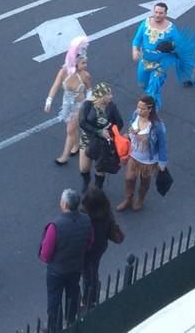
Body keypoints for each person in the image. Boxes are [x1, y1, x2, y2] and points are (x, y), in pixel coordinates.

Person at [39, 189, 93, 332]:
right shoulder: (86, 220)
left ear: (64, 204)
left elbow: (46, 253)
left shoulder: (55, 226)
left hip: (57, 270)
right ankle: (71, 320)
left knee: (54, 299)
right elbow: (89, 242)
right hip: (75, 267)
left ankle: (54, 327)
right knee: (73, 293)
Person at [132, 2, 195, 109]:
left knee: (153, 88)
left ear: (165, 14)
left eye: (161, 13)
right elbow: (137, 39)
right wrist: (135, 51)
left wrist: (171, 46)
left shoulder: (171, 29)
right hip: (145, 60)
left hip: (161, 64)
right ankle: (148, 99)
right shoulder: (145, 23)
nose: (157, 15)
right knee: (142, 84)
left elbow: (179, 45)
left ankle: (152, 110)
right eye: (156, 12)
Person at [45, 36, 92, 165]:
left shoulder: (85, 75)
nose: (85, 65)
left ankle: (64, 156)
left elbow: (89, 90)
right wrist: (49, 100)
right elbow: (55, 85)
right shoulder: (64, 72)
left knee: (70, 130)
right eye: (83, 62)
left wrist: (87, 105)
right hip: (67, 104)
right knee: (72, 128)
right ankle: (76, 145)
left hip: (79, 106)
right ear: (75, 62)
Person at [116, 95, 168, 212]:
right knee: (129, 178)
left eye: (142, 108)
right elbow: (131, 128)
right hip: (134, 155)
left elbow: (162, 144)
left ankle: (140, 200)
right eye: (138, 107)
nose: (139, 110)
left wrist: (162, 162)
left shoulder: (157, 125)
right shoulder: (135, 115)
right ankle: (128, 199)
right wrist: (129, 134)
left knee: (144, 182)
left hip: (148, 160)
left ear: (150, 109)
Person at [78, 82, 124, 192]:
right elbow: (82, 122)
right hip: (88, 138)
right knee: (83, 167)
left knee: (100, 167)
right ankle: (86, 180)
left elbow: (119, 123)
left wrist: (109, 132)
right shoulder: (88, 104)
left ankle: (97, 188)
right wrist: (98, 131)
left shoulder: (111, 107)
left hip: (103, 141)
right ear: (101, 95)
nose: (111, 96)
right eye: (108, 94)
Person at [81, 186, 117, 308]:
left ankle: (88, 299)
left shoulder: (86, 218)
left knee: (86, 273)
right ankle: (93, 295)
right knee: (93, 269)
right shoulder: (106, 212)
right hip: (100, 246)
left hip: (88, 250)